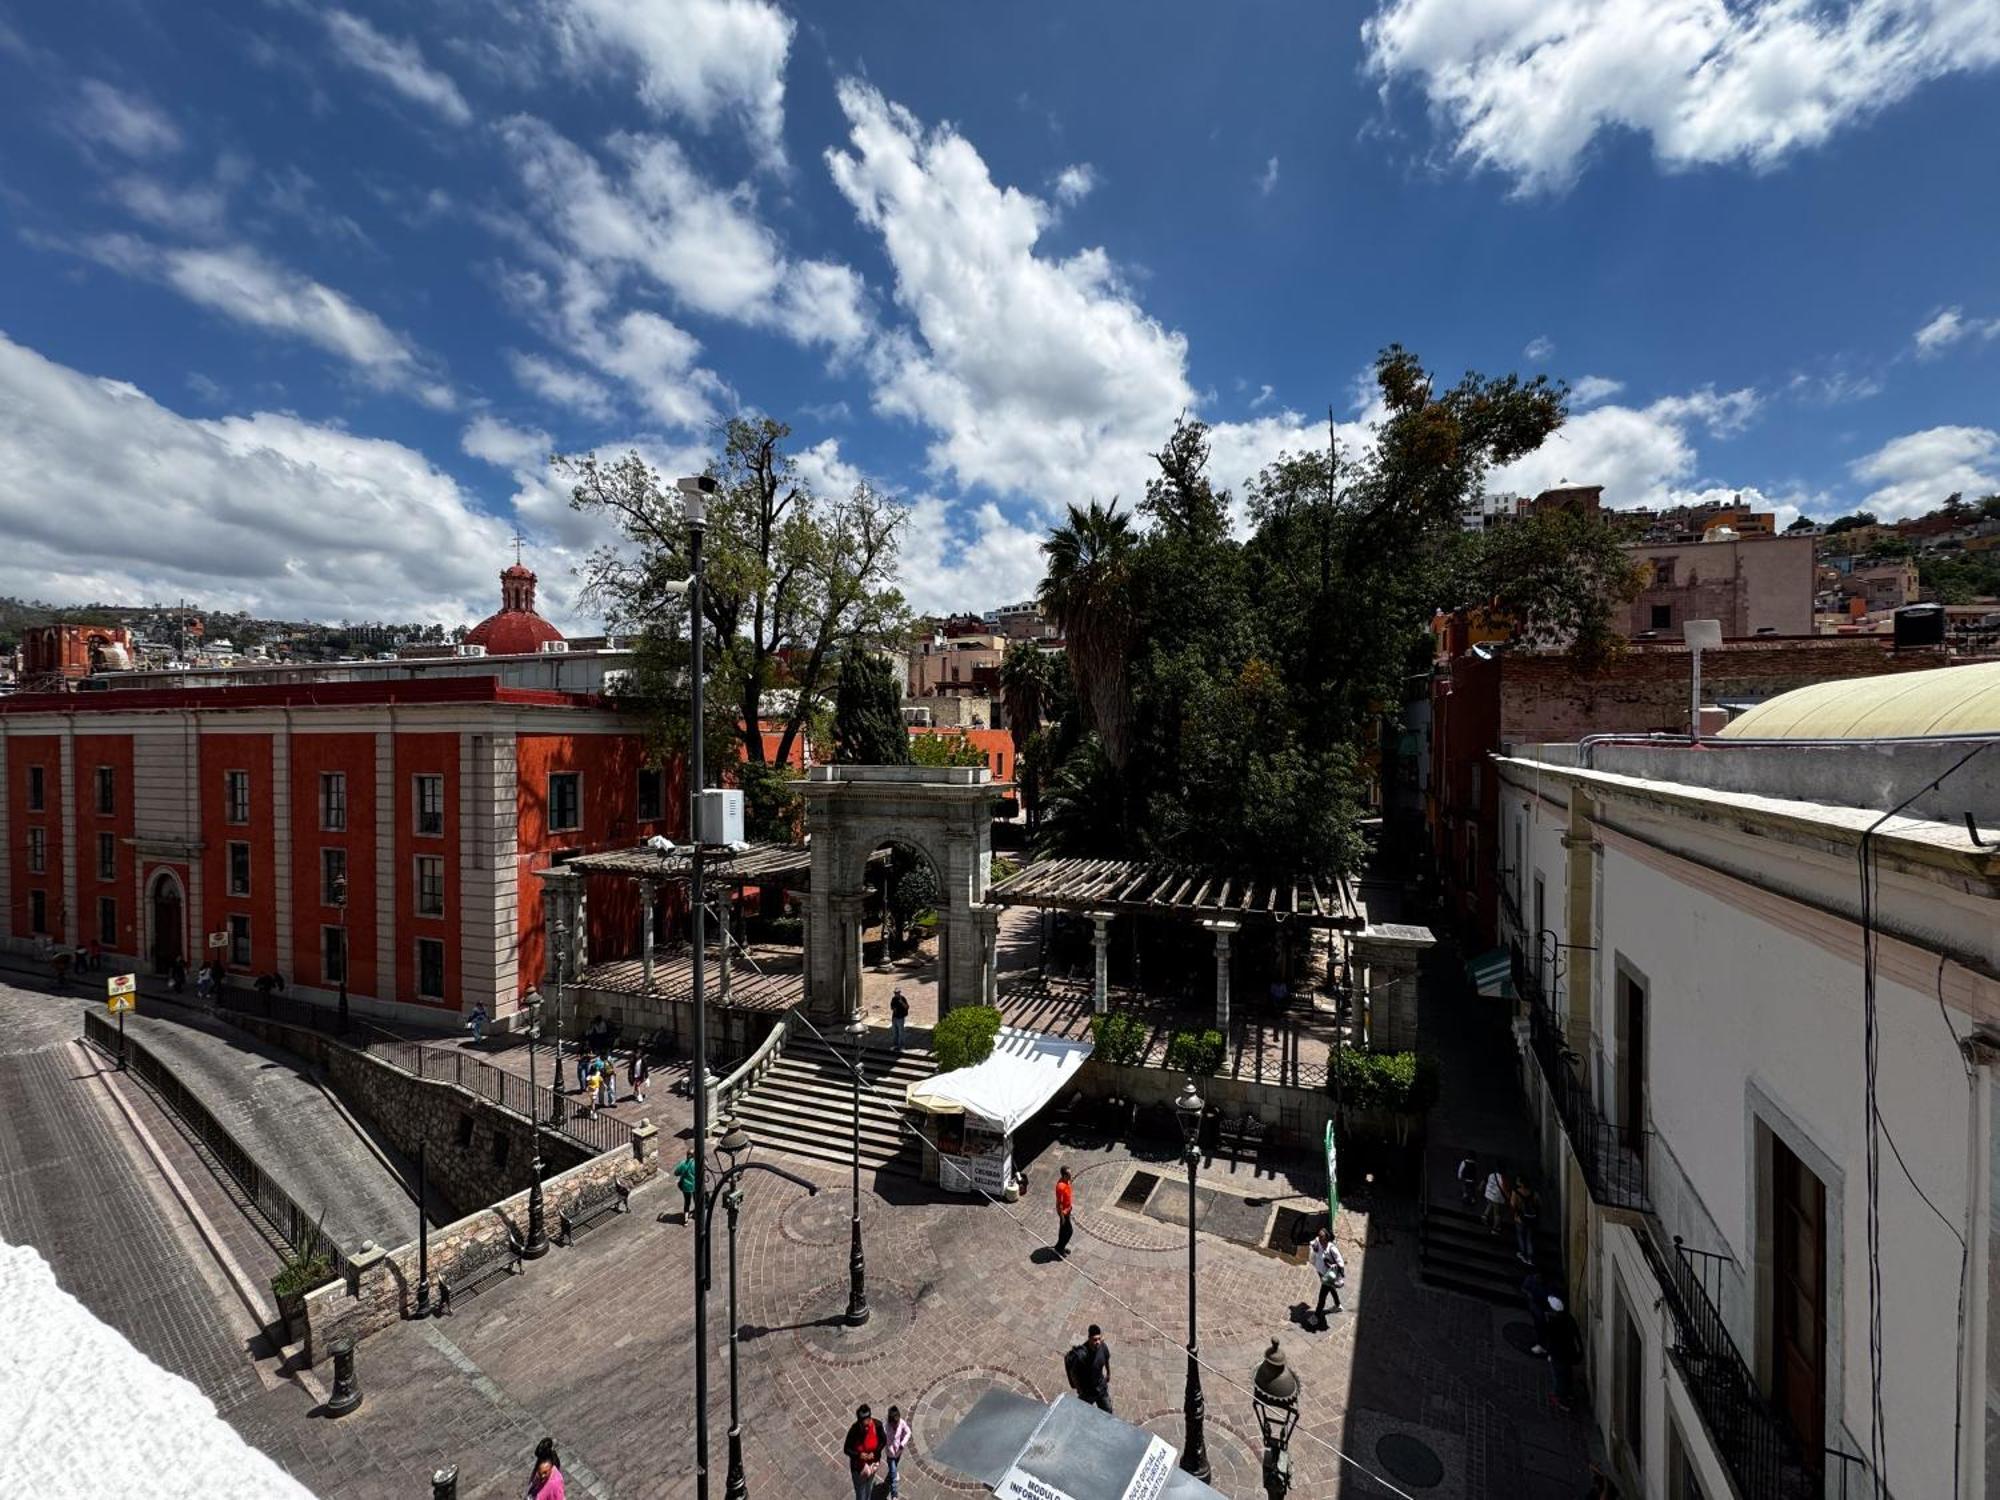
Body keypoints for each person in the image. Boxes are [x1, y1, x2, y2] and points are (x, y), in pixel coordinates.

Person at [1544, 1295, 1583, 1410]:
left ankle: (1560, 1398)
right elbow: (1576, 1336)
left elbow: (1551, 1342)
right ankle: (1567, 1394)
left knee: (1559, 1376)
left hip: (1559, 1356)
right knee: (1566, 1375)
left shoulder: (1553, 1323)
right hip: (1568, 1354)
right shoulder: (1569, 1319)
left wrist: (1550, 1354)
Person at [1064, 1325, 1112, 1413]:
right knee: (1081, 1412)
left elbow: (1106, 1359)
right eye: (1095, 1339)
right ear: (1089, 1338)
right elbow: (1073, 1373)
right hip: (1087, 1392)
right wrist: (1079, 1389)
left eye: (1099, 1339)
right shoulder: (1081, 1356)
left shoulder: (1103, 1347)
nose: (1097, 1342)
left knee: (1108, 1411)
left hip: (1101, 1387)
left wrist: (1108, 1373)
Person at [843, 1403, 886, 1500]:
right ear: (859, 1422)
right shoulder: (854, 1431)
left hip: (873, 1464)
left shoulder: (877, 1425)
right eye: (864, 1425)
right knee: (861, 1494)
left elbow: (883, 1441)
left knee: (869, 1487)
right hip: (859, 1469)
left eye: (868, 1423)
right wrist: (859, 1455)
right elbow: (847, 1449)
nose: (867, 1428)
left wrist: (874, 1453)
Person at [1308, 1224, 1346, 1326]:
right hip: (1321, 1272)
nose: (1319, 1238)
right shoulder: (1318, 1241)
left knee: (1322, 1296)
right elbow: (1312, 1244)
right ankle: (1338, 1305)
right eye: (1319, 1236)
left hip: (1329, 1276)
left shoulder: (1332, 1248)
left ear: (1327, 1238)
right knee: (1331, 1289)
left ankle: (1316, 1316)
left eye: (1321, 1237)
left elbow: (1341, 1263)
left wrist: (1331, 1265)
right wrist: (1314, 1247)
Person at [1521, 1269, 1556, 1357]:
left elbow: (1550, 1297)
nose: (1538, 1279)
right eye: (1537, 1277)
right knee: (1538, 1325)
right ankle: (1541, 1343)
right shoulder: (1530, 1279)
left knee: (1542, 1326)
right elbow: (1524, 1288)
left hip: (1542, 1309)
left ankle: (1542, 1345)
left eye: (1539, 1278)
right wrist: (1529, 1294)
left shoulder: (1547, 1285)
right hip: (1535, 1307)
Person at [882, 1403, 912, 1498]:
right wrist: (890, 1450)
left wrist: (902, 1444)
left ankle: (893, 1472)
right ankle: (894, 1494)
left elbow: (908, 1432)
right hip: (890, 1455)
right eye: (894, 1425)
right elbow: (885, 1442)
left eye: (897, 1423)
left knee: (895, 1465)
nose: (896, 1426)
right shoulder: (886, 1428)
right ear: (890, 1422)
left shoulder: (901, 1423)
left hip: (898, 1452)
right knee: (894, 1475)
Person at [1511, 1176, 1541, 1265]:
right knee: (1529, 1237)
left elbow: (1513, 1205)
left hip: (1521, 1218)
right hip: (1532, 1218)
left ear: (1521, 1183)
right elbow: (1539, 1204)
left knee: (1521, 1235)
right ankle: (1530, 1257)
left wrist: (1515, 1215)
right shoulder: (1534, 1192)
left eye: (1518, 1181)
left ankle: (1523, 1254)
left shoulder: (1516, 1192)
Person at [1053, 1164, 1075, 1258]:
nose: (1071, 1176)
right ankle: (1060, 1248)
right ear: (1064, 1176)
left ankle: (1060, 1246)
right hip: (1064, 1213)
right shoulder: (1061, 1187)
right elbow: (1059, 1204)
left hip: (1067, 1210)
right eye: (1069, 1174)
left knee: (1063, 1230)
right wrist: (1062, 1217)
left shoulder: (1067, 1181)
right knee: (1069, 1231)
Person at [1482, 1164, 1510, 1234]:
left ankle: (1485, 1215)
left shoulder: (1491, 1175)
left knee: (1489, 1204)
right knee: (1497, 1213)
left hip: (1488, 1194)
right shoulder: (1502, 1178)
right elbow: (1504, 1189)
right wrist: (1509, 1197)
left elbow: (1486, 1181)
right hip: (1496, 1198)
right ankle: (1495, 1228)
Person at [674, 1146, 698, 1224]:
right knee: (696, 1199)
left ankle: (685, 1220)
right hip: (694, 1186)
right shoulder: (696, 1164)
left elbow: (676, 1173)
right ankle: (696, 1215)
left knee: (687, 1202)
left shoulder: (683, 1163)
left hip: (685, 1187)